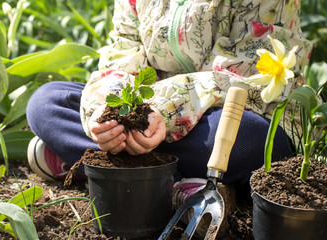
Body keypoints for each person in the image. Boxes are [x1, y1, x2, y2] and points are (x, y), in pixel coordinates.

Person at [27, 0, 311, 206]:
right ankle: (171, 181)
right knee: (47, 101)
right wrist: (106, 115)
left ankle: (102, 166)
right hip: (148, 116)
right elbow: (122, 54)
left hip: (225, 112)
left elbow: (242, 74)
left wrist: (165, 110)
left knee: (250, 136)